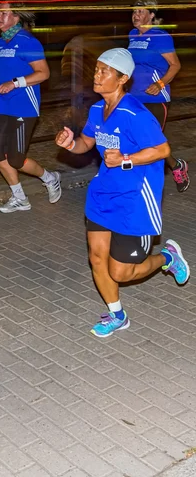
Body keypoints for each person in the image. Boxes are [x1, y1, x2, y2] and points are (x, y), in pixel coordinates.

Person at [55, 48, 189, 338]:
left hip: (136, 199)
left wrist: (125, 159)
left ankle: (167, 257)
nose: (97, 75)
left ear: (123, 79)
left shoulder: (135, 113)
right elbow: (86, 144)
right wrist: (70, 144)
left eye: (105, 71)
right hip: (104, 194)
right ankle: (117, 315)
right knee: (97, 258)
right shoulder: (96, 109)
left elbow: (163, 150)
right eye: (97, 69)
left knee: (121, 272)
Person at [0, 1, 61, 213]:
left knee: (16, 159)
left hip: (24, 107)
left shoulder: (28, 42)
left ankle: (49, 178)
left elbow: (43, 73)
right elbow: (3, 74)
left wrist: (15, 83)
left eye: (4, 13)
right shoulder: (1, 42)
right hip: (2, 106)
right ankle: (20, 198)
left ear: (16, 17)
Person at [129, 0, 189, 192]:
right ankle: (173, 166)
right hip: (133, 98)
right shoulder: (132, 35)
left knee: (152, 141)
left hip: (156, 98)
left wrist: (160, 83)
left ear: (151, 15)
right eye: (133, 12)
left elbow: (175, 65)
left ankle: (173, 169)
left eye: (140, 12)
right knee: (137, 139)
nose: (135, 16)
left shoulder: (160, 37)